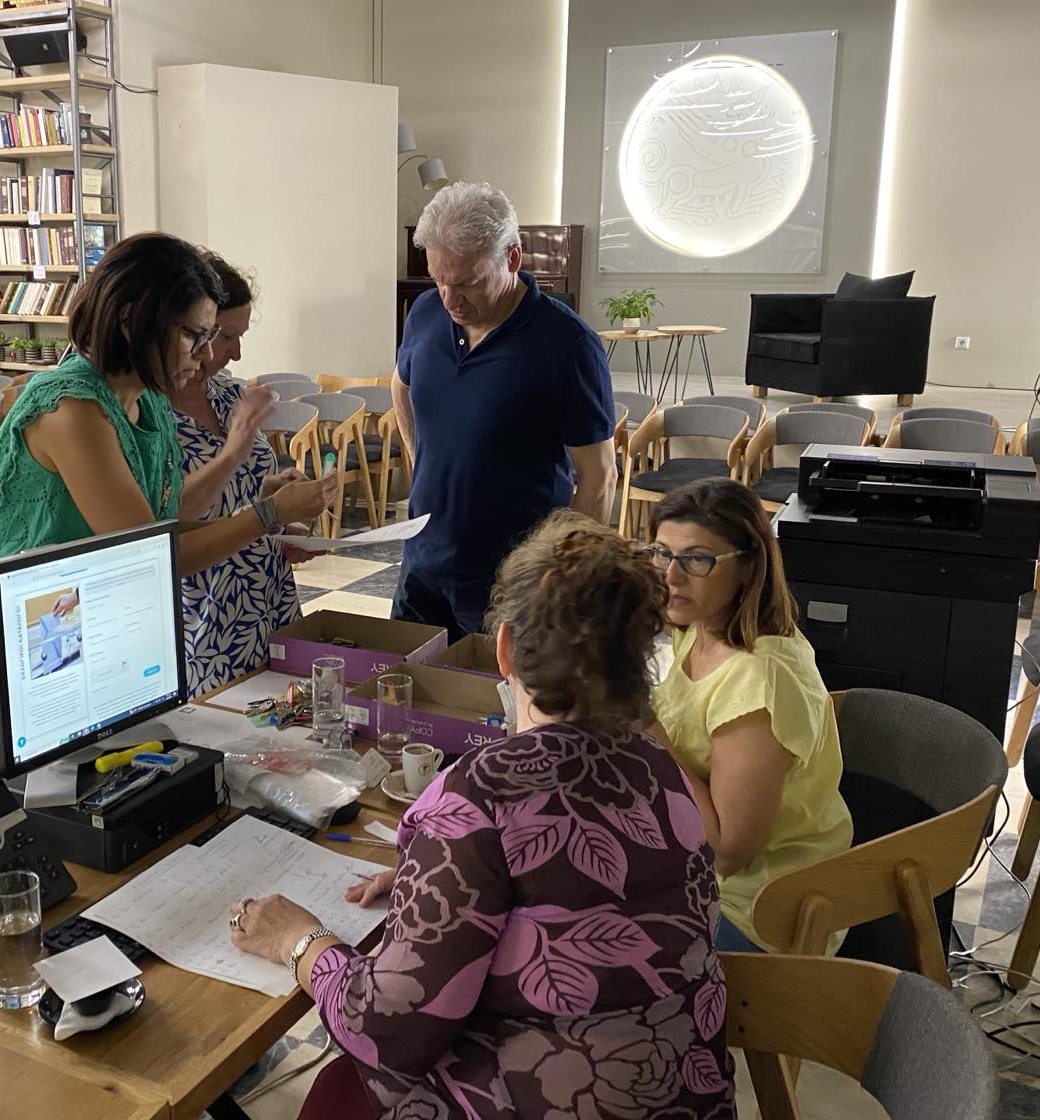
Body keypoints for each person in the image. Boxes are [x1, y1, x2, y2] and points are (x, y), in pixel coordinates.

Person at [227, 513, 735, 1120]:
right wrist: (446, 879)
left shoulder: (476, 797)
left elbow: (390, 1033)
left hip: (548, 1096)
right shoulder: (661, 770)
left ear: (505, 648)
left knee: (342, 1087)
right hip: (683, 1096)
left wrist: (299, 941)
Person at [0, 233, 337, 772]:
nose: (207, 358)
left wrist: (250, 487)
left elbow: (167, 512)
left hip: (93, 625)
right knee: (25, 815)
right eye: (194, 337)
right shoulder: (74, 408)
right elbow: (148, 556)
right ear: (133, 319)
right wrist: (267, 514)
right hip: (31, 640)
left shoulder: (143, 403)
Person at [391, 181, 616, 642]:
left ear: (511, 258)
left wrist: (563, 578)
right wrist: (425, 467)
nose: (451, 299)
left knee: (502, 708)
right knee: (407, 700)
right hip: (422, 567)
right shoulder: (427, 313)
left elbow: (598, 477)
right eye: (439, 279)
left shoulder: (567, 345)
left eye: (468, 282)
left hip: (510, 582)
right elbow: (402, 386)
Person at [646, 478, 852, 954]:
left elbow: (727, 852)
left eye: (696, 559)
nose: (670, 577)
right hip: (696, 869)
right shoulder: (698, 624)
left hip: (756, 908)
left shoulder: (757, 678)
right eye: (660, 553)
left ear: (747, 566)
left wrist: (644, 728)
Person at [172, 252, 317, 694]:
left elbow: (241, 494)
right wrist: (264, 505)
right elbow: (163, 526)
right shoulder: (146, 416)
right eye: (225, 336)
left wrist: (283, 514)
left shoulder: (231, 395)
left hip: (268, 606)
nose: (236, 351)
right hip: (205, 625)